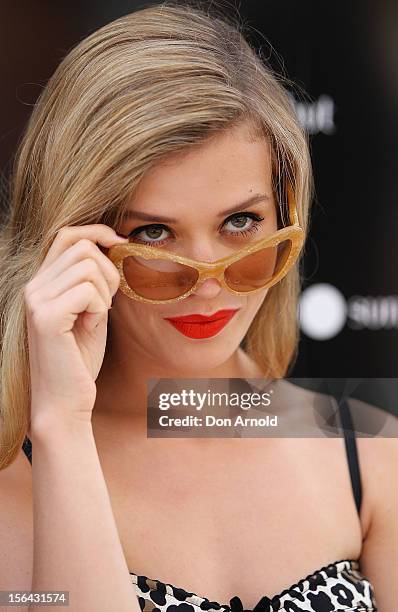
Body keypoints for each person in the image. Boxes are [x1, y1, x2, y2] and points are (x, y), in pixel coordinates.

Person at [0, 2, 396, 611]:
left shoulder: (371, 454)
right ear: (75, 243)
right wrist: (62, 431)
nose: (209, 281)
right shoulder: (19, 474)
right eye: (154, 233)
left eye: (242, 222)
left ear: (287, 216)